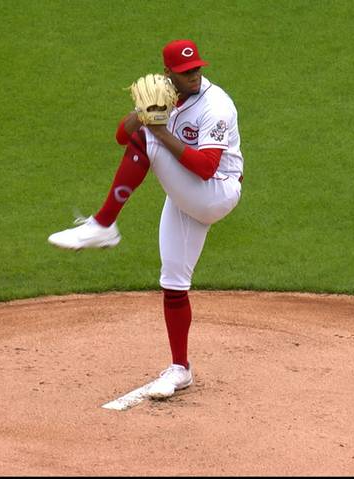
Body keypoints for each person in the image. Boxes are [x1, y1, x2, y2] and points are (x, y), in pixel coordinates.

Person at [48, 39, 245, 399]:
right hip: (187, 197)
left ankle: (103, 225)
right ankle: (180, 369)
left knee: (149, 140)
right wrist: (142, 112)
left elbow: (205, 168)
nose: (194, 76)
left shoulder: (217, 106)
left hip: (217, 191)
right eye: (186, 72)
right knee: (173, 282)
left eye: (197, 68)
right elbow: (121, 135)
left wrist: (157, 129)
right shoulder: (163, 97)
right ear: (169, 73)